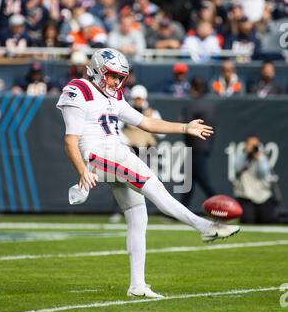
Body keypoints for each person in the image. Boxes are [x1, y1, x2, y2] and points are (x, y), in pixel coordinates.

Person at [56, 48, 240, 298]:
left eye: (120, 77)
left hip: (112, 152)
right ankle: (204, 226)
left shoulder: (114, 97)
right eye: (112, 76)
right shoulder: (79, 90)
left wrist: (185, 127)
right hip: (99, 153)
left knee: (137, 213)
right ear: (98, 71)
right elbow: (70, 140)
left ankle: (137, 285)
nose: (117, 82)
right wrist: (82, 170)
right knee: (154, 185)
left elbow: (146, 122)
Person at [181, 77, 216, 207]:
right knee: (189, 182)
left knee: (202, 180)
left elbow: (185, 125)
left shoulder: (192, 105)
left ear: (193, 88)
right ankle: (182, 210)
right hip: (205, 147)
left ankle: (222, 204)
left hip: (195, 147)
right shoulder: (210, 105)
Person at [233, 135, 277, 224]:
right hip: (246, 197)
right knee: (247, 220)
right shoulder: (241, 157)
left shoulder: (262, 158)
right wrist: (246, 155)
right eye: (250, 145)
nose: (252, 147)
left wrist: (258, 158)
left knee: (268, 221)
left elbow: (263, 173)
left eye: (254, 145)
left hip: (262, 196)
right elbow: (237, 168)